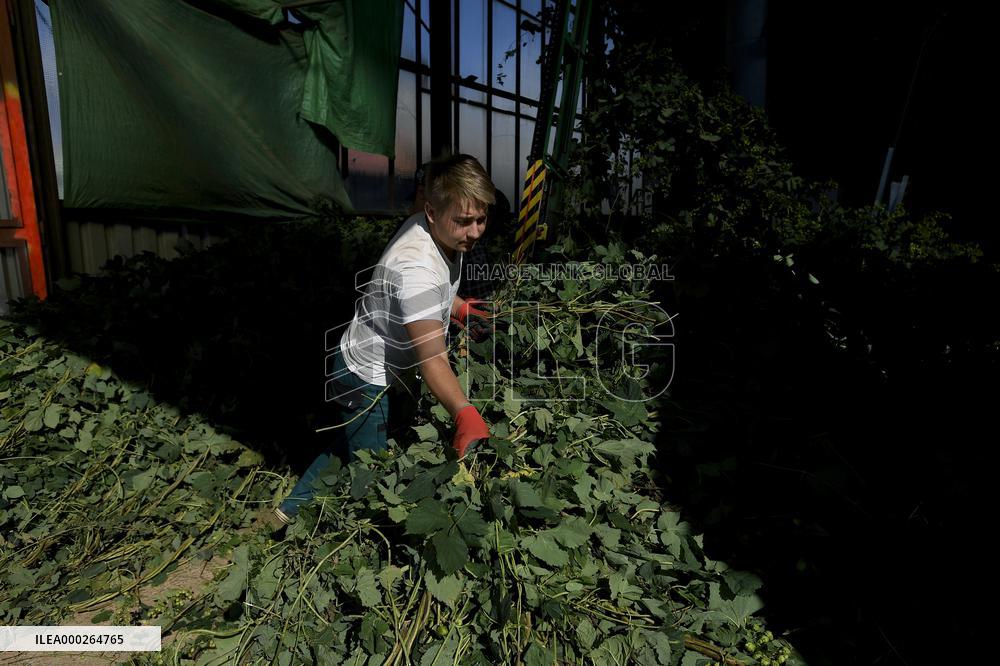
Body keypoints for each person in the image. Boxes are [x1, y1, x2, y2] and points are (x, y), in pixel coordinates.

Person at [273, 154, 494, 524]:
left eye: (481, 220)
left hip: (386, 366)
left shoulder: (437, 232)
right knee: (373, 474)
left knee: (354, 444)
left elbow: (436, 290)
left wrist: (458, 308)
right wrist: (463, 412)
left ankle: (286, 513)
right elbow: (433, 358)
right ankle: (345, 531)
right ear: (431, 212)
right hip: (364, 378)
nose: (474, 232)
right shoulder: (415, 268)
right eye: (463, 221)